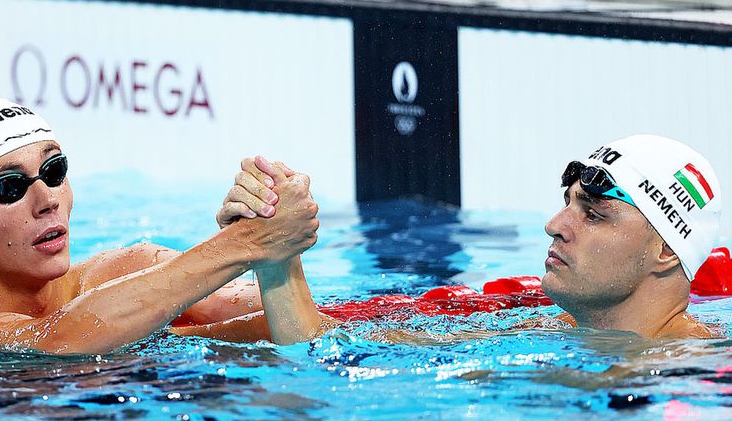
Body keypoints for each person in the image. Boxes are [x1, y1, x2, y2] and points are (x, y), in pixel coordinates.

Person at [0, 95, 327, 353]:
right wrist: (243, 245)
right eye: (8, 187)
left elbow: (308, 339)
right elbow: (53, 340)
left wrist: (276, 258)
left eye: (54, 170)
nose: (46, 200)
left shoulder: (131, 269)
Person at [214, 134, 723, 341]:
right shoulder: (541, 333)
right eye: (567, 203)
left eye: (593, 214)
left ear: (664, 251)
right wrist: (269, 250)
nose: (555, 224)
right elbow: (327, 354)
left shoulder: (700, 381)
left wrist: (271, 254)